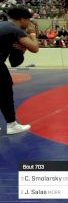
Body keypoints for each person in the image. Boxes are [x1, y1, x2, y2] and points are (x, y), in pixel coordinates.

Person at [0, 7, 39, 135]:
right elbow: (35, 48)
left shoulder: (4, 26)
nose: (29, 23)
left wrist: (21, 49)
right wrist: (33, 34)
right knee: (5, 92)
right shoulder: (15, 29)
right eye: (28, 20)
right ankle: (12, 125)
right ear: (22, 19)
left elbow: (14, 61)